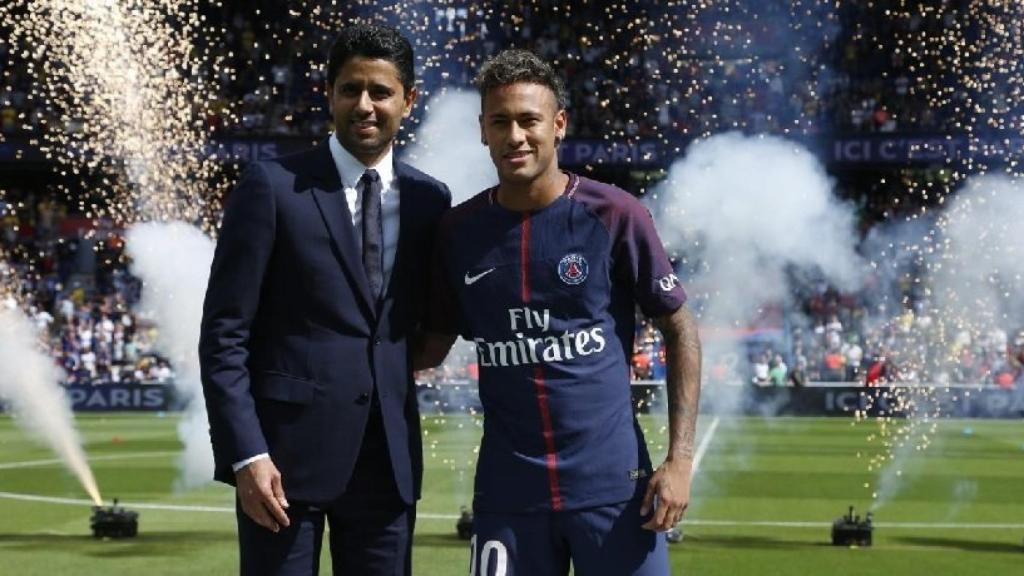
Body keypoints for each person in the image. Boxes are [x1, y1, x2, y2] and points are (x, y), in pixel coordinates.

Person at [416, 49, 702, 575]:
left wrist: (679, 460)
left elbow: (680, 328)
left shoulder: (615, 214)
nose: (515, 136)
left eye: (529, 120)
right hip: (509, 493)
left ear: (559, 124)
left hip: (614, 492)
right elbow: (428, 346)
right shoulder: (457, 233)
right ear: (482, 130)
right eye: (500, 122)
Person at [199, 24, 450, 576]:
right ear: (329, 94)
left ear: (408, 100)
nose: (364, 105)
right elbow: (224, 335)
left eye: (380, 92)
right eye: (350, 89)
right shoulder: (271, 186)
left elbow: (425, 323)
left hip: (387, 466)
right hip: (281, 468)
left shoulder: (433, 201)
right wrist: (247, 455)